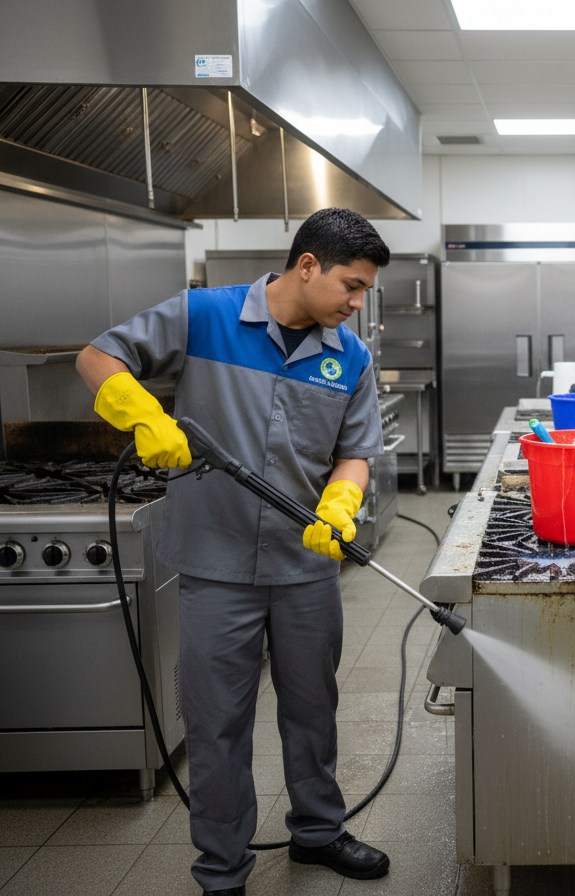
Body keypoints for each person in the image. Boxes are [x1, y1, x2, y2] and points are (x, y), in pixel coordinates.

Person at [76, 208, 391, 896]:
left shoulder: (351, 357)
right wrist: (143, 415)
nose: (357, 303)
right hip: (215, 564)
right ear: (306, 265)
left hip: (306, 564)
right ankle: (222, 868)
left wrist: (340, 504)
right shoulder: (203, 316)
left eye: (365, 290)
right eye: (352, 285)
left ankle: (318, 831)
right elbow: (96, 357)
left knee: (313, 709)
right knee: (217, 724)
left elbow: (355, 453)